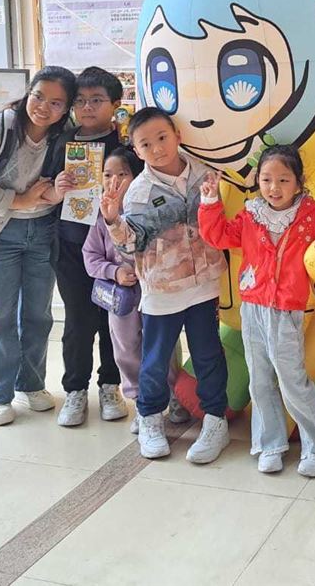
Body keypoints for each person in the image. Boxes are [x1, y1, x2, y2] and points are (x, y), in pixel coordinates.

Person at [198, 144, 315, 477]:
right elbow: (219, 236)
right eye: (266, 179)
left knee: (293, 381)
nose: (274, 187)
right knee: (259, 380)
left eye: (283, 180)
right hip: (253, 307)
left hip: (286, 310)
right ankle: (270, 444)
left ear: (298, 183)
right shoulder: (251, 214)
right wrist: (210, 202)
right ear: (258, 181)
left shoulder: (310, 213)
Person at [103, 108, 231, 463]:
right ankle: (150, 418)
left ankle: (215, 420)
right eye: (146, 144)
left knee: (208, 354)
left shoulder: (205, 173)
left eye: (162, 137)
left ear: (178, 135)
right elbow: (130, 245)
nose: (157, 148)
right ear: (136, 150)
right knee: (156, 360)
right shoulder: (138, 192)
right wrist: (113, 220)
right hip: (163, 290)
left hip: (205, 284)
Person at [0, 66, 77, 426]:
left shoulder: (65, 135)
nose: (43, 107)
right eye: (38, 96)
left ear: (66, 108)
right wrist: (19, 201)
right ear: (28, 92)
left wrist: (55, 194)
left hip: (42, 229)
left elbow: (57, 187)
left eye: (56, 103)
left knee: (38, 313)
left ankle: (32, 383)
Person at [44, 66, 129, 427]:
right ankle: (75, 390)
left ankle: (111, 386)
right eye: (80, 101)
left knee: (114, 319)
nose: (87, 107)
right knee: (78, 321)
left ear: (115, 104)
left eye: (97, 100)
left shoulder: (125, 145)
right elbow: (47, 186)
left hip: (114, 250)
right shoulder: (63, 141)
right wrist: (58, 185)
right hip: (71, 246)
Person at [82, 146, 145, 425]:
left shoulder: (146, 211)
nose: (114, 181)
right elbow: (90, 257)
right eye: (107, 175)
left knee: (160, 347)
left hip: (153, 294)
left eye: (123, 174)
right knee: (126, 348)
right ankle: (141, 402)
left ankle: (170, 397)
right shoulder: (100, 218)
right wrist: (114, 271)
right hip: (120, 299)